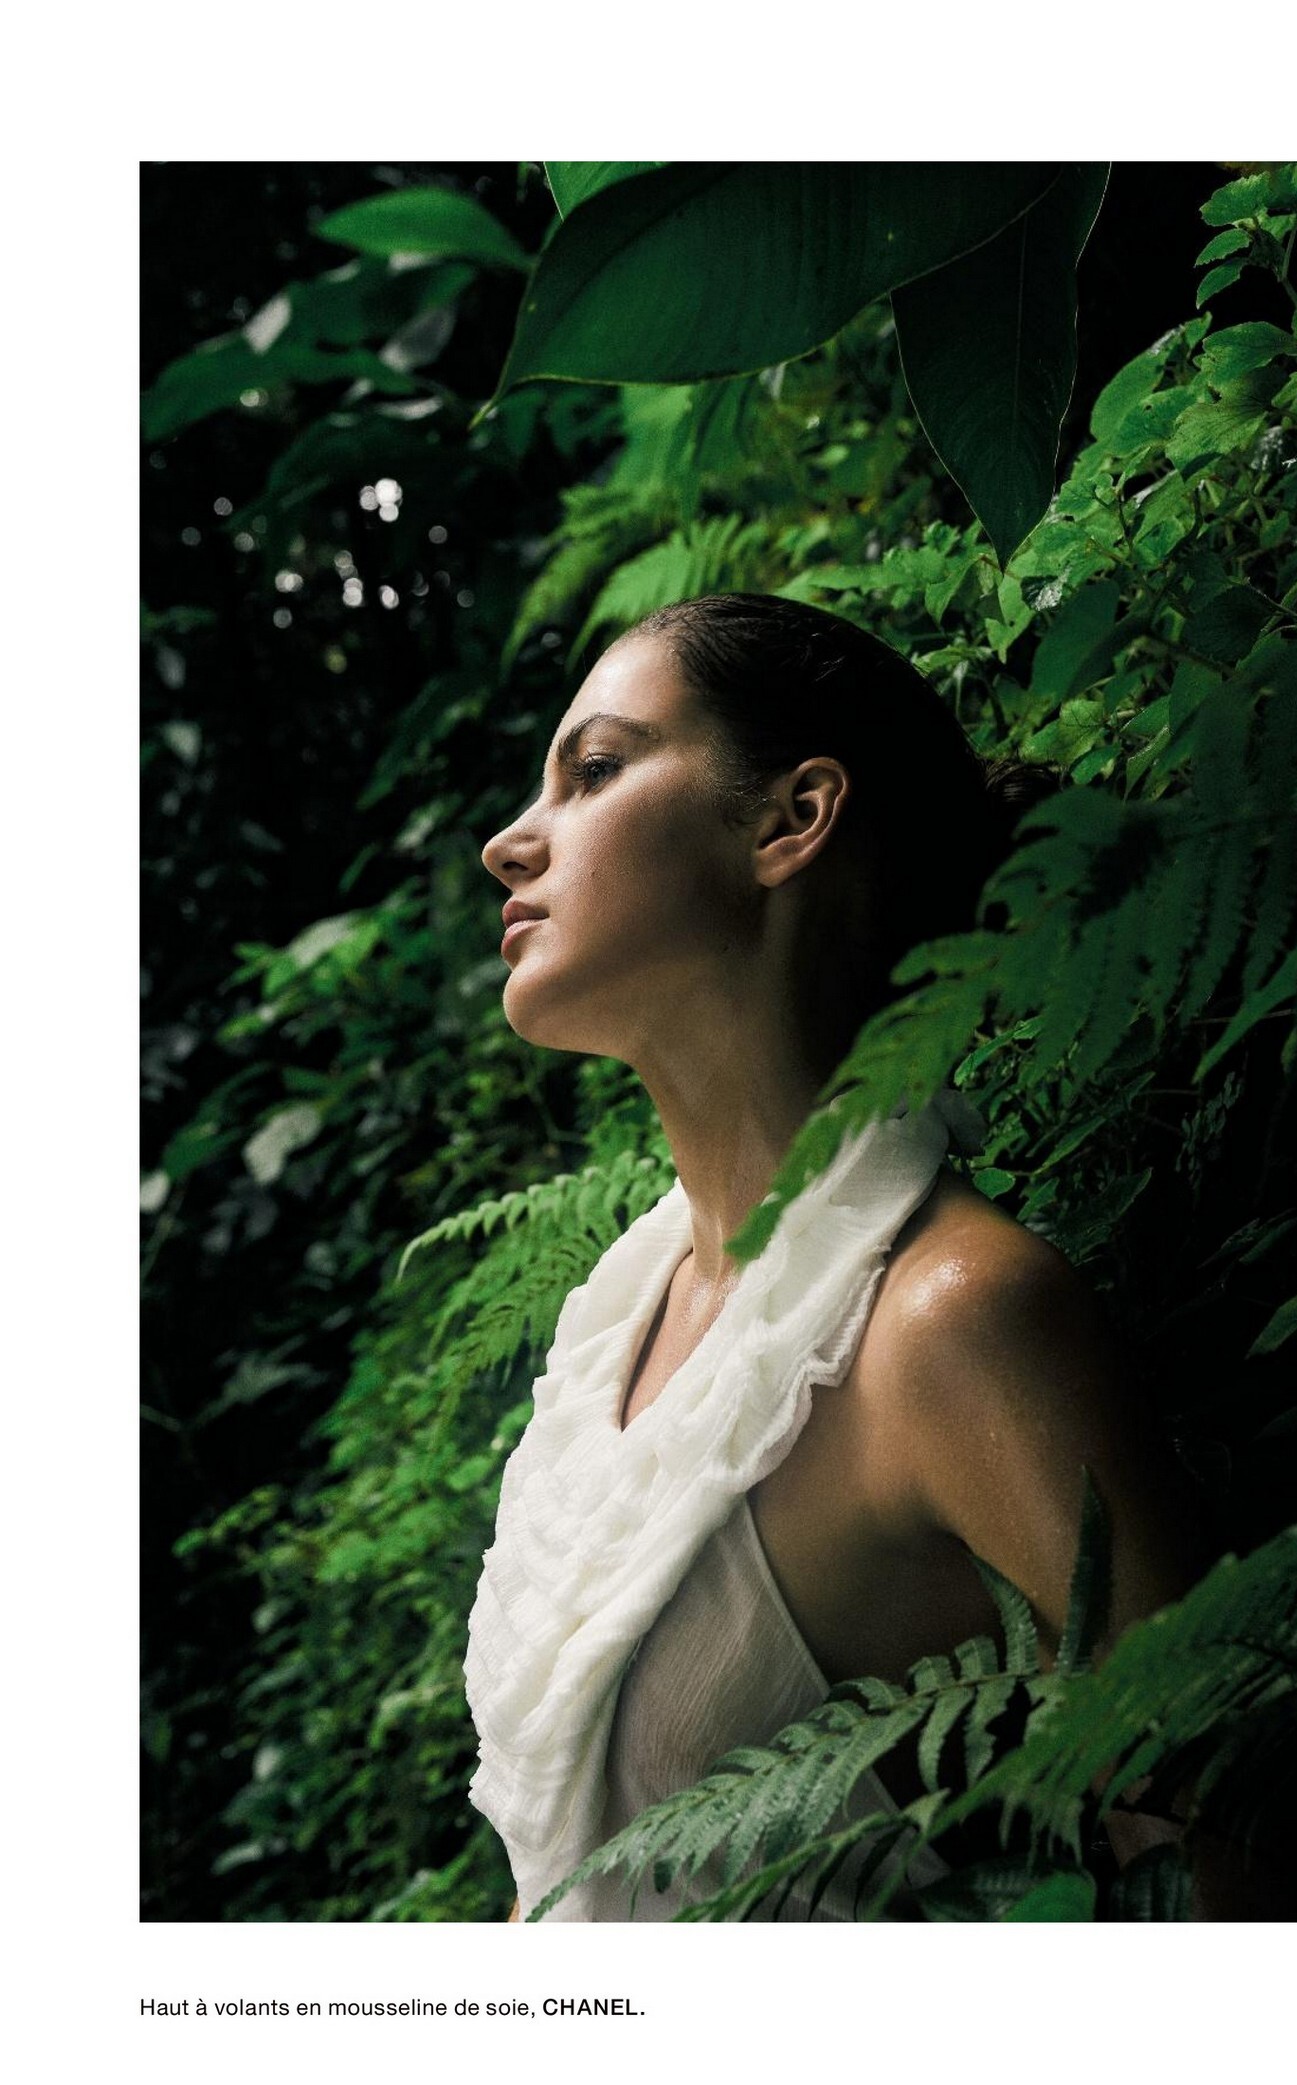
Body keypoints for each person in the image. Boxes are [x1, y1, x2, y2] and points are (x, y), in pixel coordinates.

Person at [465, 593, 1201, 1922]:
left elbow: (1233, 1838)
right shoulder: (616, 1327)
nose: (508, 842)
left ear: (788, 819)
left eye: (595, 770)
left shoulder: (949, 1324)